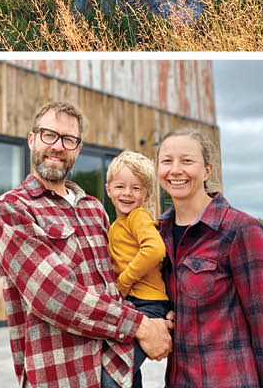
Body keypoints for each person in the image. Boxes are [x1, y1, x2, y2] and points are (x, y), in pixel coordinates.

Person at [0, 101, 172, 388]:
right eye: (49, 135)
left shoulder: (94, 208)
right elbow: (52, 295)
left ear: (78, 149)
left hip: (117, 363)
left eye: (69, 139)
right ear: (32, 139)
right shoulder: (12, 209)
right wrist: (141, 325)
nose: (58, 146)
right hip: (65, 375)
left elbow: (118, 274)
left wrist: (159, 309)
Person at [156, 128, 263, 387]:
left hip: (229, 379)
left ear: (207, 171)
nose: (175, 170)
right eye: (166, 161)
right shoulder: (157, 234)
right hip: (178, 380)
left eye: (187, 161)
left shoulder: (240, 229)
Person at [104, 151, 170, 388]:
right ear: (109, 189)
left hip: (149, 304)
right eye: (120, 186)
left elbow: (154, 250)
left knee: (112, 376)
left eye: (136, 188)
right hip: (131, 304)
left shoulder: (138, 217)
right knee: (128, 374)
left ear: (147, 194)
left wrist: (123, 282)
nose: (127, 194)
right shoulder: (114, 227)